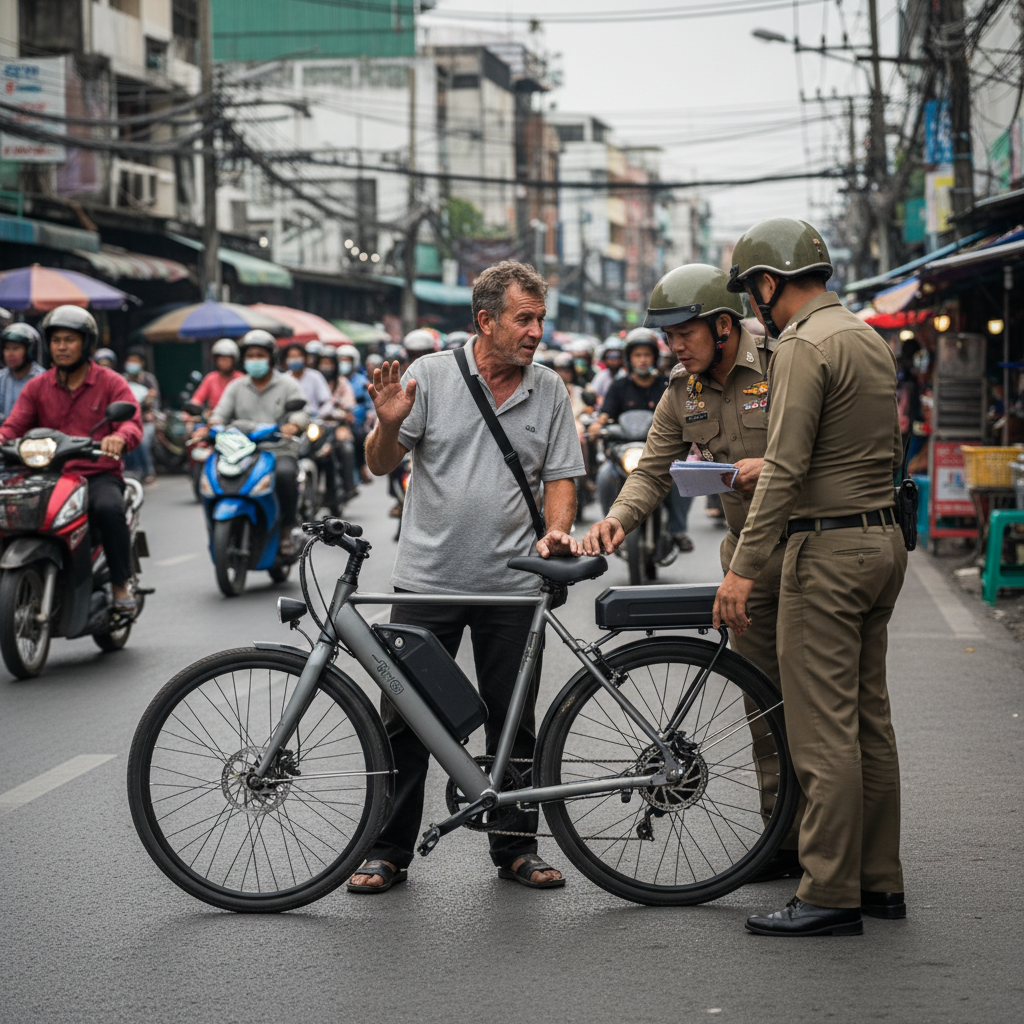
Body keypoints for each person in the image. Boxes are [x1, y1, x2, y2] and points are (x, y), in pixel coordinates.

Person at [350, 259, 585, 894]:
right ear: (485, 321)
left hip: (513, 586)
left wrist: (557, 530)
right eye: (524, 319)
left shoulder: (550, 388)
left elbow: (561, 476)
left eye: (540, 319)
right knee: (405, 719)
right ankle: (387, 850)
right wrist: (388, 423)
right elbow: (379, 465)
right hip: (428, 581)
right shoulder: (429, 376)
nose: (536, 332)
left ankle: (515, 846)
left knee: (514, 720)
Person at [715, 217, 907, 937]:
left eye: (751, 290)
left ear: (769, 283)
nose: (753, 305)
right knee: (868, 722)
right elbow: (884, 448)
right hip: (881, 544)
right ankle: (879, 881)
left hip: (825, 554)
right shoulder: (865, 337)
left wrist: (743, 569)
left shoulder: (800, 345)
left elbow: (786, 469)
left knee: (822, 731)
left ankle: (829, 890)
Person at [581, 263, 803, 879]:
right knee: (764, 705)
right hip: (746, 563)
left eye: (684, 333)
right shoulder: (683, 390)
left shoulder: (784, 362)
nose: (673, 347)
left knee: (815, 706)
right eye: (667, 336)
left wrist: (769, 467)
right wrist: (617, 521)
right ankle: (781, 839)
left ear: (724, 325)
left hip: (808, 553)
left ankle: (831, 850)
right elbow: (653, 470)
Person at [0, 306, 142, 612]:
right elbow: (13, 427)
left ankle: (120, 583)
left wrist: (119, 438)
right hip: (46, 475)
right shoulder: (38, 386)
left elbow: (131, 423)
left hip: (96, 473)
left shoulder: (110, 382)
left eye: (69, 340)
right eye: (56, 340)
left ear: (86, 344)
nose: (61, 347)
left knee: (109, 509)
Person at [589, 327, 693, 551]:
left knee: (681, 477)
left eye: (647, 355)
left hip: (661, 451)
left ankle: (678, 529)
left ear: (655, 358)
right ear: (629, 358)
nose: (642, 360)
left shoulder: (667, 384)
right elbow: (606, 413)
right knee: (605, 477)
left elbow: (682, 412)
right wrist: (598, 425)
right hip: (624, 449)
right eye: (637, 355)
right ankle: (611, 526)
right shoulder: (618, 386)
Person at [209, 329, 310, 553]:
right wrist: (213, 425)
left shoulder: (288, 384)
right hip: (241, 451)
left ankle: (287, 529)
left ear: (271, 358)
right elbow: (220, 414)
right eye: (250, 356)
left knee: (285, 475)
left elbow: (302, 412)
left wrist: (293, 425)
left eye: (260, 355)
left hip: (279, 449)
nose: (255, 360)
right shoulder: (236, 386)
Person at [122, 346, 160, 484]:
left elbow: (155, 404)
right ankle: (133, 470)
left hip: (146, 421)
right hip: (127, 420)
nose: (132, 363)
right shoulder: (122, 380)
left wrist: (149, 409)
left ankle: (148, 471)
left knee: (142, 441)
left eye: (135, 361)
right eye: (130, 360)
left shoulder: (148, 380)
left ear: (141, 363)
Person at [0, 322, 45, 421]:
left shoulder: (43, 380)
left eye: (15, 348)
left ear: (29, 351)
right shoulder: (1, 378)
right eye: (7, 348)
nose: (10, 354)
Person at [188, 338, 242, 415]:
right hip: (214, 418)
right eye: (221, 359)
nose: (224, 363)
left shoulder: (241, 379)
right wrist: (191, 409)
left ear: (234, 360)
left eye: (227, 359)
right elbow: (197, 399)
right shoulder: (211, 378)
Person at [283, 341, 334, 417]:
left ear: (305, 358)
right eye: (292, 357)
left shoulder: (315, 376)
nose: (295, 359)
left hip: (312, 418)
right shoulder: (284, 379)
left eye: (298, 356)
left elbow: (327, 401)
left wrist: (320, 415)